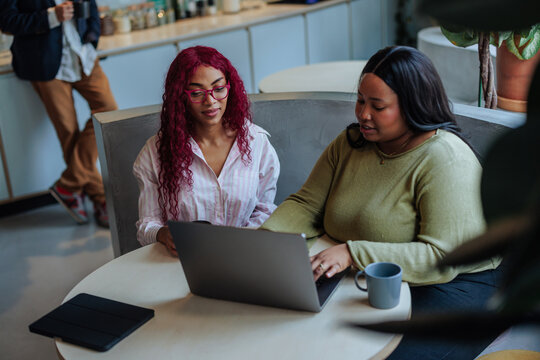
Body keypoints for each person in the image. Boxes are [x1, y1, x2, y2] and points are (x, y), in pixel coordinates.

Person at [261, 46, 502, 359]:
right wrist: (264, 241)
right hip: (378, 277)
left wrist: (353, 253)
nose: (363, 114)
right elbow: (307, 204)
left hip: (456, 284)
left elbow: (441, 257)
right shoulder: (351, 143)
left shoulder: (444, 158)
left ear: (412, 106)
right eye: (361, 100)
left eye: (378, 106)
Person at [133, 46, 280, 256]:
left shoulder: (257, 143)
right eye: (196, 93)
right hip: (184, 260)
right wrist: (163, 234)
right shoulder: (154, 154)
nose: (210, 101)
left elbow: (265, 210)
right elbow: (146, 225)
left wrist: (242, 242)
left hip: (246, 254)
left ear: (230, 88)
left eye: (218, 89)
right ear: (180, 97)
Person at [0, 0, 117, 227]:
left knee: (109, 114)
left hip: (83, 55)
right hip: (44, 62)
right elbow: (6, 21)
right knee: (69, 133)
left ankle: (68, 185)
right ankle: (100, 199)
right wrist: (51, 16)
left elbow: (90, 6)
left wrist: (92, 39)